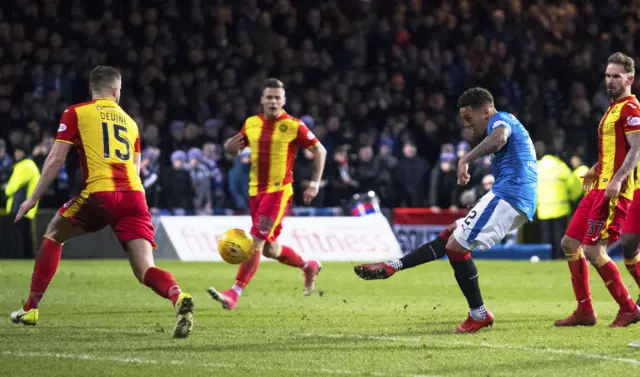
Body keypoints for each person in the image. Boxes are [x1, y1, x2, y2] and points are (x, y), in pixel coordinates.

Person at [9, 66, 194, 339]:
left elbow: (56, 158)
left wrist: (33, 197)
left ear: (92, 89)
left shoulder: (76, 112)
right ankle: (177, 296)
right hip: (134, 198)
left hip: (101, 193)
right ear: (117, 91)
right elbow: (136, 166)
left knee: (53, 234)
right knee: (145, 270)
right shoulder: (131, 123)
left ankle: (31, 308)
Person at [355, 87, 538, 334]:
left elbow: (500, 138)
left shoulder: (501, 121)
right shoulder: (504, 123)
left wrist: (465, 159)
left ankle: (479, 314)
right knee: (453, 234)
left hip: (510, 195)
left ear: (485, 111)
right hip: (513, 196)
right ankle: (393, 265)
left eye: (468, 117)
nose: (467, 124)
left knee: (456, 247)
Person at [208, 78, 327, 310]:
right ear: (262, 100)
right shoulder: (251, 123)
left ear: (284, 100)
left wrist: (315, 183)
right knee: (271, 249)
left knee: (256, 242)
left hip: (278, 191)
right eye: (269, 97)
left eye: (277, 97)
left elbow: (320, 150)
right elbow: (236, 151)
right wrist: (229, 150)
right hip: (255, 192)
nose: (273, 101)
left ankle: (234, 293)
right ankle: (308, 265)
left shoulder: (294, 125)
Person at [555, 52, 640, 328]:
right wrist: (596, 167)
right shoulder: (612, 107)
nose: (610, 80)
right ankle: (585, 311)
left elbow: (637, 148)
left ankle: (628, 308)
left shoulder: (631, 109)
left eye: (616, 76)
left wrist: (616, 180)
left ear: (630, 78)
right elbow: (616, 149)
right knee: (569, 244)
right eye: (607, 75)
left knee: (594, 250)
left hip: (613, 191)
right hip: (598, 187)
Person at [4, 145, 40, 258]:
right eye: (16, 151)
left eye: (19, 151)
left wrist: (5, 189)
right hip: (26, 208)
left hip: (20, 207)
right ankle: (27, 257)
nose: (17, 154)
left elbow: (12, 187)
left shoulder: (25, 166)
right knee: (26, 235)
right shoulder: (29, 165)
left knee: (17, 236)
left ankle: (18, 257)